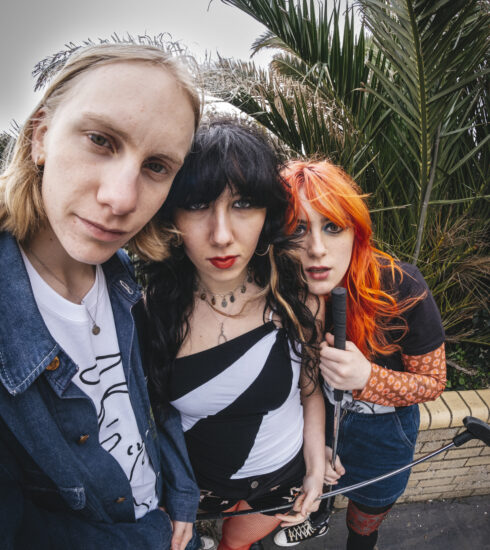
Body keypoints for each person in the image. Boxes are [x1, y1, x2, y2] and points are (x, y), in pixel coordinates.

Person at [0, 42, 203, 550]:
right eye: (100, 140)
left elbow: (148, 401)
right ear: (40, 137)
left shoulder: (121, 274)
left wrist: (179, 494)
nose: (122, 199)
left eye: (156, 166)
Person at [142, 119, 326, 550]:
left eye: (243, 204)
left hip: (280, 476)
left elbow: (310, 388)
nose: (221, 235)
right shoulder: (149, 315)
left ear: (267, 215)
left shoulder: (296, 299)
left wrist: (316, 464)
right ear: (170, 216)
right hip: (197, 487)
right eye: (198, 205)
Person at [273, 160, 446, 550]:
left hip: (382, 433)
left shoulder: (402, 288)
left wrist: (368, 378)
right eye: (298, 229)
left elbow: (433, 383)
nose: (317, 249)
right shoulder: (277, 290)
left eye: (332, 226)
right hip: (314, 420)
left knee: (367, 511)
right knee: (317, 490)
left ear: (357, 231)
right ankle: (316, 522)